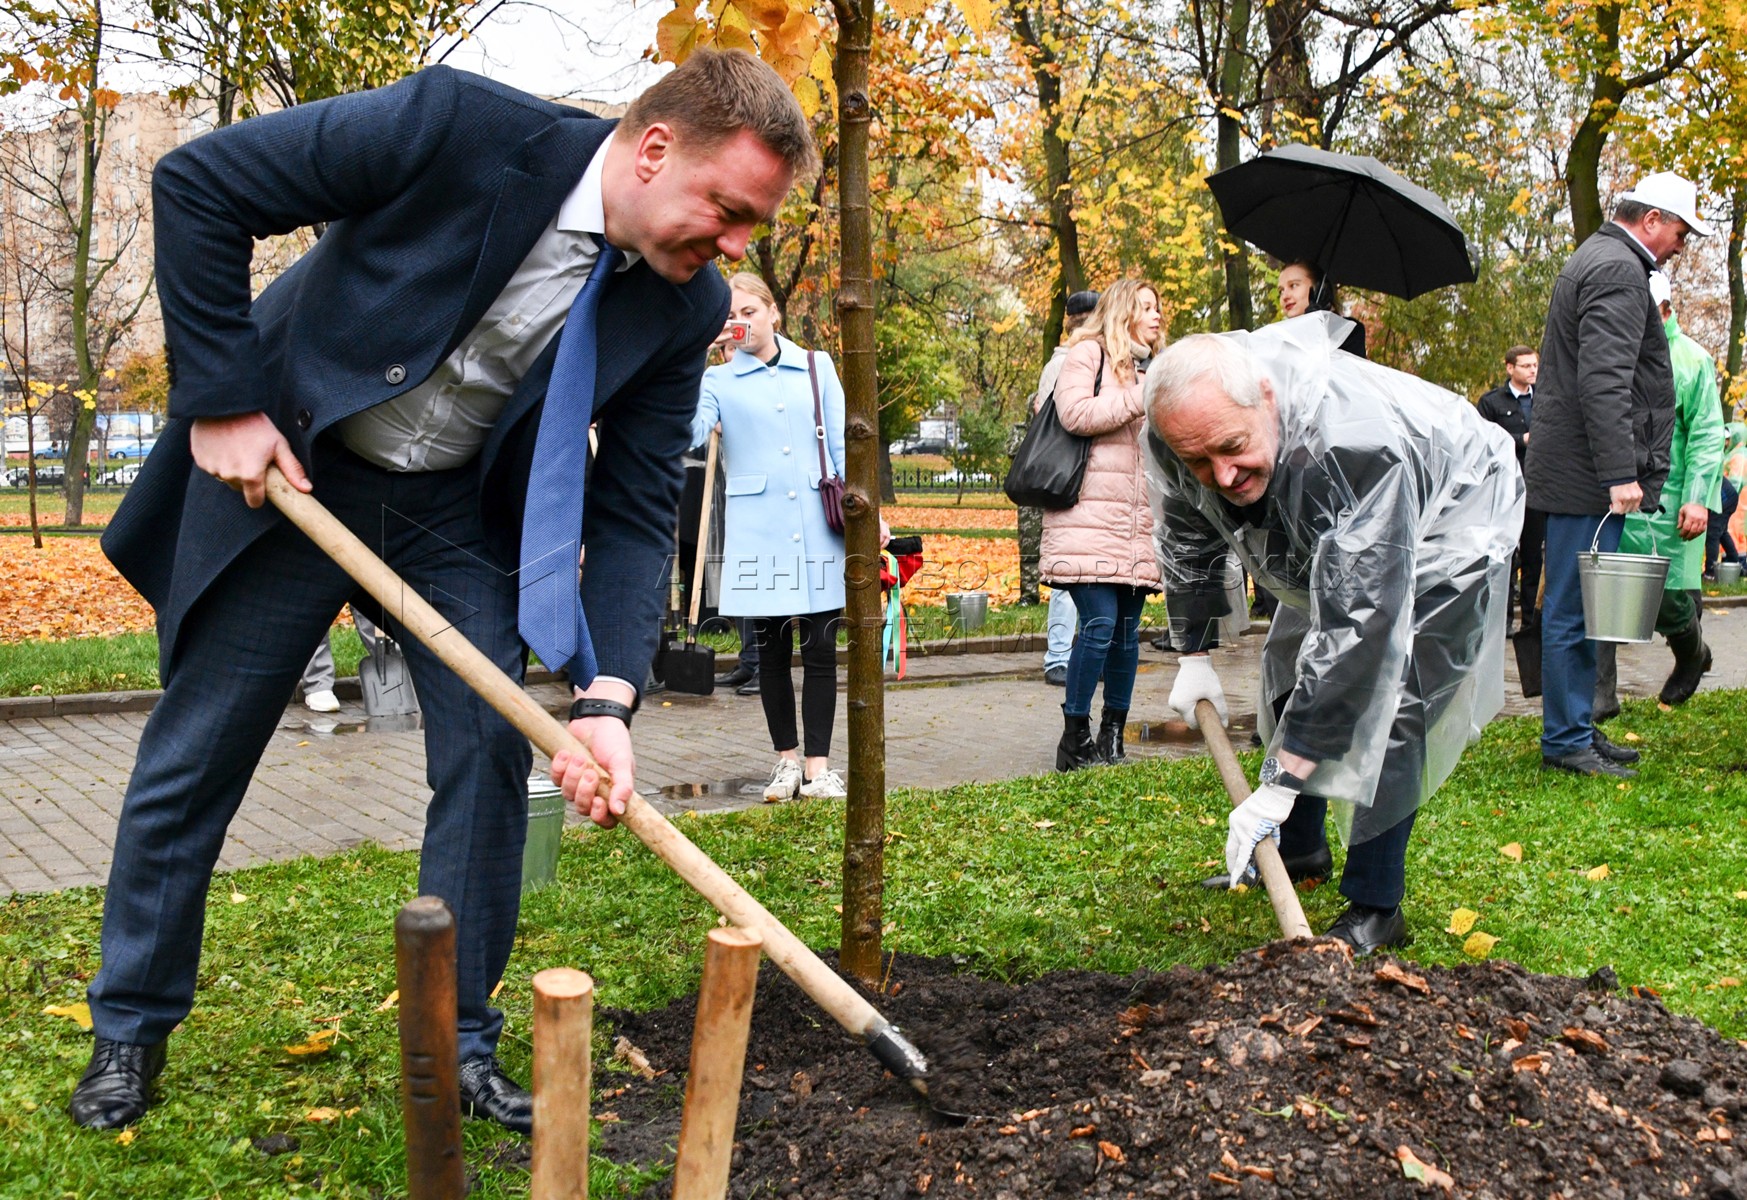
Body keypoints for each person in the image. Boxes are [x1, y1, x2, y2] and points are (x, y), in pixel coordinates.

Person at [75, 51, 815, 1134]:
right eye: (729, 208)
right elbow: (202, 186)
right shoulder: (456, 127)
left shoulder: (679, 304)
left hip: (445, 511)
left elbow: (633, 506)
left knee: (484, 751)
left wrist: (607, 696)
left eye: (751, 226)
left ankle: (458, 1042)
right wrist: (222, 401)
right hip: (295, 465)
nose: (739, 245)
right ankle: (128, 1033)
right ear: (655, 150)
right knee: (200, 750)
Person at [1150, 316, 1520, 953]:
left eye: (1232, 447)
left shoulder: (1355, 447)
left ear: (1266, 398)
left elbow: (1361, 629)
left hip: (1456, 520)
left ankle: (1378, 905)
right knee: (1290, 666)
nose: (1224, 474)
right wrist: (1193, 651)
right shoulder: (1177, 435)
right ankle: (1301, 848)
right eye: (1199, 460)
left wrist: (1279, 780)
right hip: (1333, 517)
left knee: (1399, 698)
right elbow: (1189, 537)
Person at [1525, 172, 1705, 778]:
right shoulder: (1619, 270)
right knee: (1574, 610)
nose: (1681, 245)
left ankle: (1575, 728)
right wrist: (1619, 473)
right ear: (1651, 220)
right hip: (1588, 476)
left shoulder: (1602, 259)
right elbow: (1603, 380)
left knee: (1583, 608)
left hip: (1580, 471)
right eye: (1680, 231)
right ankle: (1566, 742)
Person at [691, 272, 849, 802]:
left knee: (823, 651)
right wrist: (695, 353)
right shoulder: (716, 380)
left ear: (773, 311)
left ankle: (818, 768)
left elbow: (843, 453)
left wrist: (863, 517)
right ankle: (785, 763)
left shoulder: (815, 365)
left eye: (749, 312)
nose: (741, 322)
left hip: (818, 527)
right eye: (730, 316)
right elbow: (689, 434)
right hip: (758, 535)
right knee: (773, 654)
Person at [1039, 278, 1165, 769]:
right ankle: (1074, 738)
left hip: (1136, 521)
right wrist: (1141, 398)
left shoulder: (1152, 368)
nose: (1156, 316)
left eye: (1158, 308)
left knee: (1128, 632)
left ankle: (1113, 734)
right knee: (1099, 624)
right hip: (1087, 516)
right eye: (1145, 307)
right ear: (1121, 311)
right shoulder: (1086, 355)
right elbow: (1074, 414)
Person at [1600, 271, 1722, 711]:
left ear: (1663, 309)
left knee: (1668, 597)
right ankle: (1602, 697)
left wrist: (1697, 496)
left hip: (1672, 502)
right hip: (1615, 494)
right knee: (1605, 596)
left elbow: (1708, 434)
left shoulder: (1692, 360)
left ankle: (1692, 654)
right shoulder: (1617, 352)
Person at [1033, 288, 1100, 686]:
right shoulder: (1068, 364)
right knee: (1071, 572)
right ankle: (1059, 656)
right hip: (1071, 477)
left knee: (1079, 571)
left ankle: (1067, 654)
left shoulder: (1060, 364)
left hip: (1076, 478)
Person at [1476, 345, 1544, 634]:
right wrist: (1520, 439)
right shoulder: (1492, 402)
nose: (1532, 370)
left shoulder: (1544, 401)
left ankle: (1530, 622)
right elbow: (1481, 440)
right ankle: (1501, 622)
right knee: (1504, 556)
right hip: (1503, 491)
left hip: (1538, 490)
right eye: (1526, 365)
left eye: (1535, 365)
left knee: (1533, 558)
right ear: (1509, 368)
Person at [1277, 261, 1367, 357]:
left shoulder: (1349, 330)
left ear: (1319, 287)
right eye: (1281, 291)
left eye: (1293, 285)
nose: (1285, 296)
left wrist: (1315, 326)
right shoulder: (1282, 340)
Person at [1705, 422, 1744, 577]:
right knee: (1721, 532)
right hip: (1728, 497)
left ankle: (1710, 572)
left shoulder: (1737, 455)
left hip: (1724, 499)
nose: (1726, 442)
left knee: (1713, 533)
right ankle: (1736, 564)